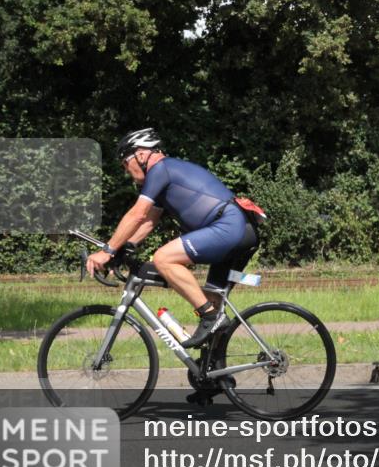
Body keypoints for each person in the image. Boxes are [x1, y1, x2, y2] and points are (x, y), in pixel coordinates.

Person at [86, 128, 260, 348]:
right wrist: (125, 247)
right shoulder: (165, 175)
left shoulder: (160, 169)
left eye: (124, 163)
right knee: (211, 298)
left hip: (228, 226)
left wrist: (107, 251)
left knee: (164, 258)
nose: (125, 170)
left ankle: (209, 316)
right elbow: (149, 221)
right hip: (239, 229)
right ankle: (215, 372)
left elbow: (137, 214)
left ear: (140, 155)